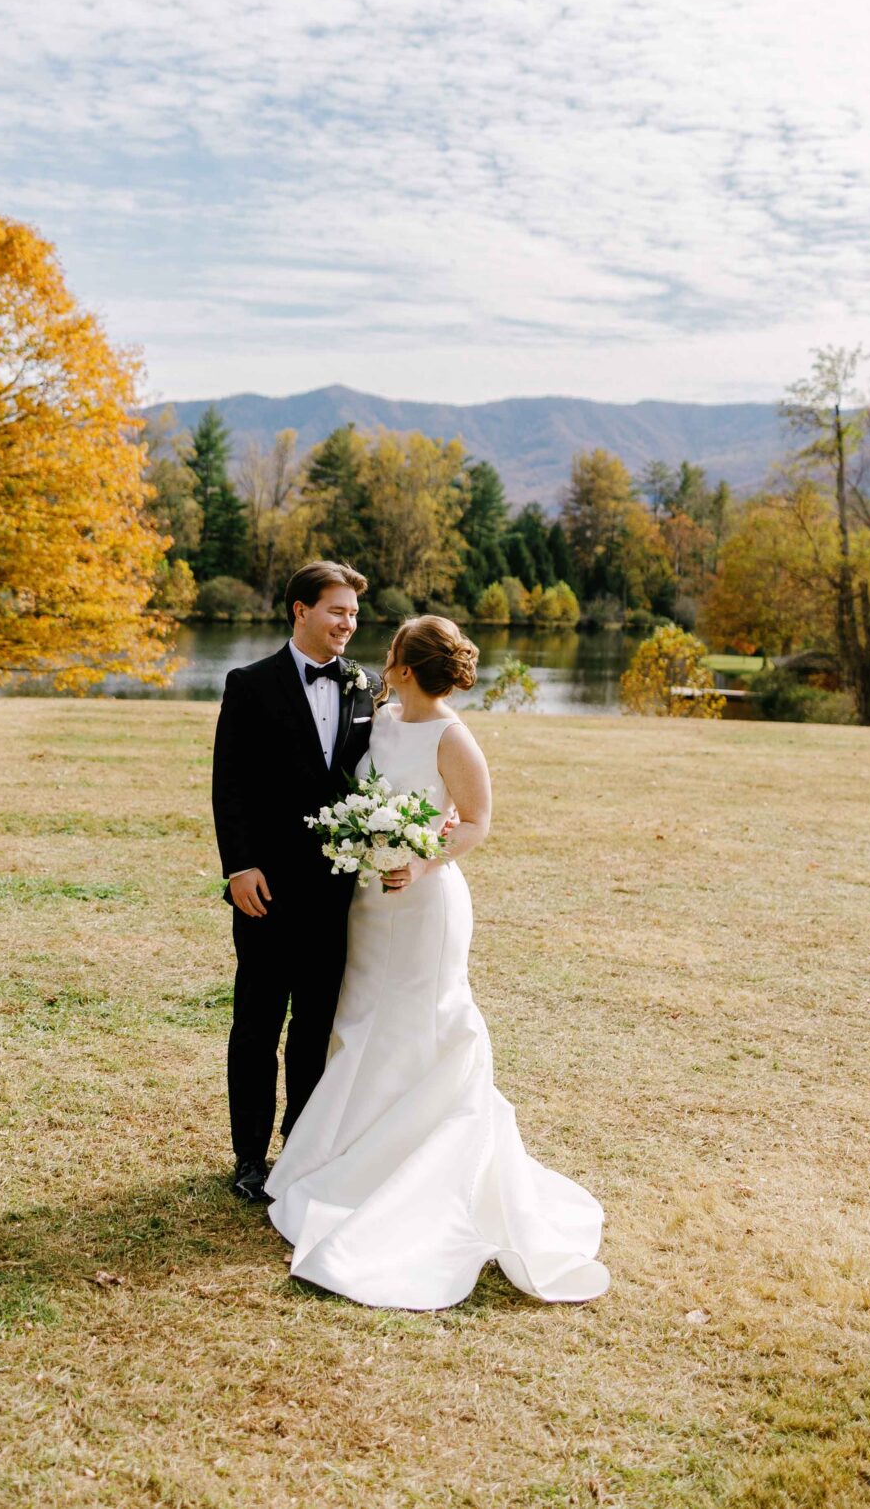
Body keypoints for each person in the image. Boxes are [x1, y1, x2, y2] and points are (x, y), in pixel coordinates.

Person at [265, 614, 611, 1311]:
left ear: (402, 664)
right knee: (361, 1020)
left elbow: (478, 819)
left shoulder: (454, 736)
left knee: (420, 1023)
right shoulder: (379, 717)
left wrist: (422, 862)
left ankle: (414, 1167)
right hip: (369, 900)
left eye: (391, 650)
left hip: (424, 904)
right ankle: (345, 1156)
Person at [210, 561, 379, 1203]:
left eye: (354, 614)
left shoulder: (366, 688)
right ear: (300, 611)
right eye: (337, 610)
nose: (347, 623)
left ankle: (300, 1150)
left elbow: (376, 772)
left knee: (316, 1026)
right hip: (266, 887)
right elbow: (231, 783)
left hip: (336, 892)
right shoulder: (249, 684)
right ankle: (249, 1158)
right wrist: (239, 865)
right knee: (257, 1023)